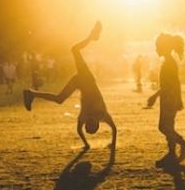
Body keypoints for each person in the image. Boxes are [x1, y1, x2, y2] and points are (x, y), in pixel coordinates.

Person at [23, 21, 116, 150]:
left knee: (59, 99)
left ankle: (31, 93)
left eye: (88, 122)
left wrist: (86, 144)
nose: (89, 119)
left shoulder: (84, 117)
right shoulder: (102, 114)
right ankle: (92, 36)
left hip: (79, 81)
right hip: (87, 79)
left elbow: (79, 129)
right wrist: (112, 143)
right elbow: (114, 129)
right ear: (96, 123)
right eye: (91, 122)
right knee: (74, 49)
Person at [147, 33, 185, 168]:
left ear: (164, 47)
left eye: (157, 47)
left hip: (169, 98)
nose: (156, 49)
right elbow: (175, 83)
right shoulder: (169, 62)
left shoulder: (169, 63)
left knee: (164, 127)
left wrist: (154, 96)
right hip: (170, 98)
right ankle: (172, 154)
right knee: (169, 127)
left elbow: (169, 85)